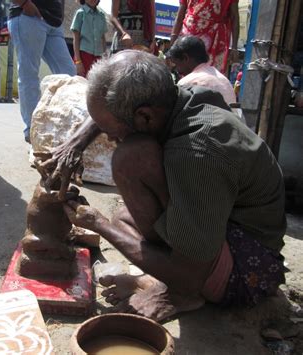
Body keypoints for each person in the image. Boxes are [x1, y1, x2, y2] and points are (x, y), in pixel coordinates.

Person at [37, 50, 286, 321]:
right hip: (225, 226)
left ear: (144, 117)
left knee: (132, 158)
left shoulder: (195, 152)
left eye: (112, 130)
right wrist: (76, 143)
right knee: (124, 218)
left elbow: (191, 275)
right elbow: (108, 107)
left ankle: (179, 294)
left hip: (250, 267)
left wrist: (97, 224)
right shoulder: (179, 96)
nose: (108, 136)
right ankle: (166, 275)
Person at [8, 0, 76, 143]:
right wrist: (24, 3)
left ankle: (68, 126)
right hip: (28, 16)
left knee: (69, 74)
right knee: (29, 75)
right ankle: (33, 130)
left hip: (54, 22)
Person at [170, 0, 240, 73]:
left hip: (216, 39)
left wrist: (234, 47)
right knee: (187, 72)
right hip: (190, 36)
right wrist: (173, 40)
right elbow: (180, 15)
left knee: (212, 75)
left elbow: (234, 17)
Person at [167, 36, 237, 106]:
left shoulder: (187, 84)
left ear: (185, 58)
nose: (177, 70)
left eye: (176, 64)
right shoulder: (223, 79)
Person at [71, 0, 108, 77]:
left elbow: (103, 38)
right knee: (82, 82)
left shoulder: (101, 15)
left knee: (96, 81)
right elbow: (76, 38)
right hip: (83, 55)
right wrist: (78, 61)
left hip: (98, 56)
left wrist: (105, 57)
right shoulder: (80, 13)